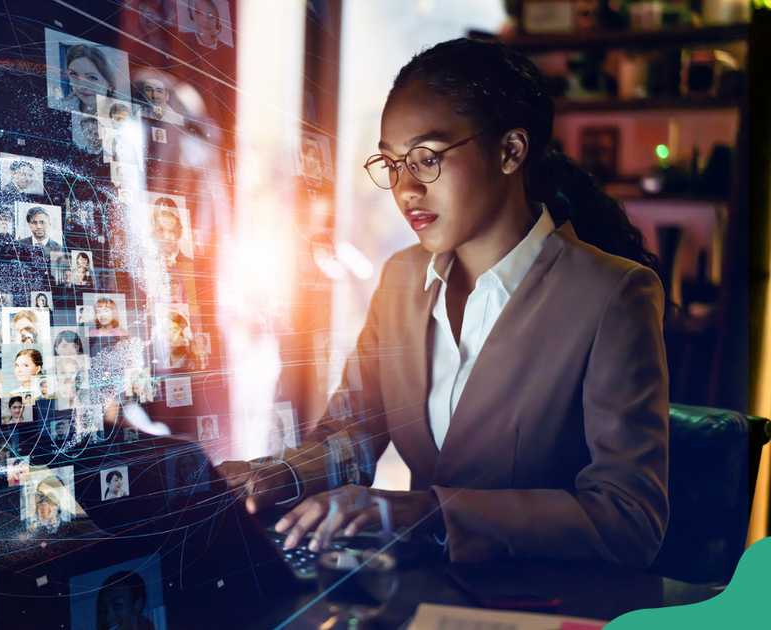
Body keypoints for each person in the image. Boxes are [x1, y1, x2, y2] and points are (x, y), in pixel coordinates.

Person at [220, 38, 669, 568]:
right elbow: (354, 434)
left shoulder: (612, 294)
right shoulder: (402, 278)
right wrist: (269, 476)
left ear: (510, 151)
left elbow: (628, 518)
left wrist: (425, 513)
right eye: (392, 163)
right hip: (415, 593)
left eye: (427, 159)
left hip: (538, 599)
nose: (405, 189)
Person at [58, 44, 117, 115]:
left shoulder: (122, 115)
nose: (81, 86)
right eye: (74, 74)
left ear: (109, 85)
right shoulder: (64, 107)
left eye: (92, 77)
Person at [151, 199, 191, 269]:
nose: (167, 237)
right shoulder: (148, 264)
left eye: (171, 231)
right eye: (161, 230)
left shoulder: (189, 264)